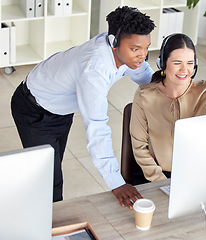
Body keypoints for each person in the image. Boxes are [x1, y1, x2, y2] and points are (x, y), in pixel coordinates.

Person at [10, 6, 155, 209]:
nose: (142, 55)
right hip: (34, 109)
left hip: (59, 107)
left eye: (146, 47)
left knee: (52, 165)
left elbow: (142, 73)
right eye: (135, 49)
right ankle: (49, 228)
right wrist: (117, 183)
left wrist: (164, 88)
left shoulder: (120, 49)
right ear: (114, 42)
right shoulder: (94, 71)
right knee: (49, 181)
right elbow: (97, 128)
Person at [130, 33, 206, 182]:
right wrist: (162, 182)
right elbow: (139, 146)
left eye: (190, 63)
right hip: (155, 177)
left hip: (195, 174)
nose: (184, 70)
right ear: (163, 64)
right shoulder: (144, 95)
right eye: (177, 63)